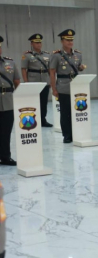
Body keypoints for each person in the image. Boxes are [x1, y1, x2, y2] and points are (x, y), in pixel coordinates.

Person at [49, 29, 86, 144]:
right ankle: (67, 135)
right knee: (65, 113)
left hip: (77, 87)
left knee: (77, 111)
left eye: (71, 40)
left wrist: (81, 68)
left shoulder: (78, 54)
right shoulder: (56, 55)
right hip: (63, 87)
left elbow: (78, 67)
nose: (70, 42)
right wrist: (54, 88)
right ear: (62, 41)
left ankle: (76, 133)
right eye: (67, 40)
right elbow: (52, 72)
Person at [21, 34, 53, 127]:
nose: (39, 44)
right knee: (33, 102)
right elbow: (23, 69)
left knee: (44, 102)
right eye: (36, 43)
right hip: (33, 81)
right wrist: (26, 82)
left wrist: (51, 80)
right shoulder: (26, 55)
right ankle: (33, 119)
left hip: (44, 81)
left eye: (40, 42)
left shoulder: (47, 54)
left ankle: (43, 120)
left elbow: (50, 68)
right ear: (32, 44)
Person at [0, 37, 20, 166]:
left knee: (6, 131)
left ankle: (5, 157)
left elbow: (17, 81)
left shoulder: (10, 63)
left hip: (8, 100)